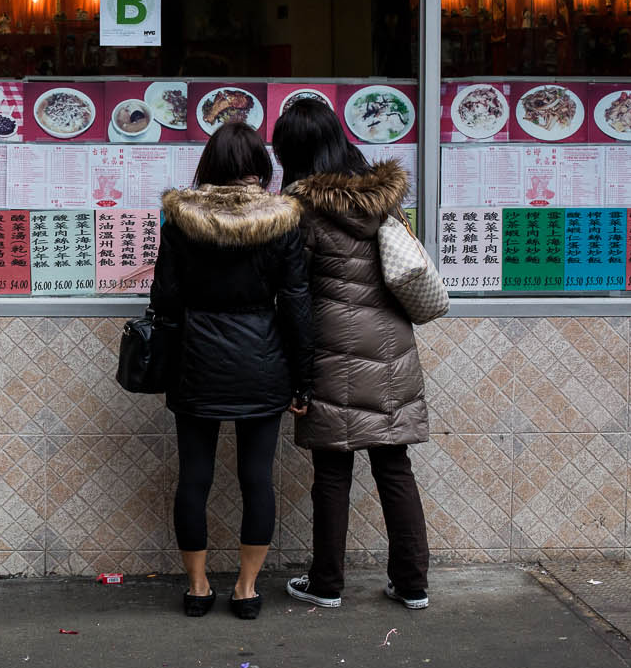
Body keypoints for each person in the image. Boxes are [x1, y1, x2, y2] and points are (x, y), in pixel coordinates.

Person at [271, 98, 431, 611]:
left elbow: (293, 292)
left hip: (332, 346)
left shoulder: (301, 209)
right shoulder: (381, 197)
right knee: (394, 465)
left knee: (333, 471)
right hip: (389, 345)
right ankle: (413, 586)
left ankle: (327, 583)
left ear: (292, 152)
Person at [150, 121, 314, 619]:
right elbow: (296, 303)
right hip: (262, 361)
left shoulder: (180, 218)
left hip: (196, 360)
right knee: (256, 479)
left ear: (210, 165)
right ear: (260, 168)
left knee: (194, 477)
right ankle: (245, 590)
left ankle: (198, 588)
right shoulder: (282, 218)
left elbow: (166, 299)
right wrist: (303, 379)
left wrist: (173, 357)